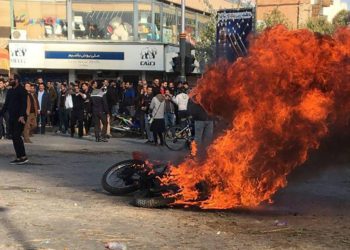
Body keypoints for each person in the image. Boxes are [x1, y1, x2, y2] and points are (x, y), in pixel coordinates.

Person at [0, 75, 28, 164]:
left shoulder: (22, 90)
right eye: (8, 80)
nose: (9, 81)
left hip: (20, 117)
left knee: (17, 136)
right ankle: (19, 157)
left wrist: (22, 115)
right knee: (14, 137)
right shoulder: (10, 91)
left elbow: (24, 104)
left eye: (11, 80)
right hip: (12, 117)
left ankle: (23, 156)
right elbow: (6, 105)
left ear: (16, 80)